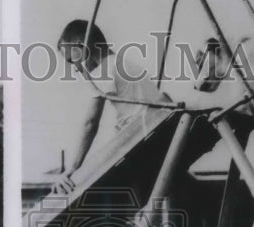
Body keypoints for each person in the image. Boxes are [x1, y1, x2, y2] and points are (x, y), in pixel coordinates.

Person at [53, 20, 171, 192]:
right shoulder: (122, 63)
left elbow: (90, 123)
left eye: (72, 60)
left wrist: (73, 168)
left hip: (146, 139)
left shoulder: (104, 69)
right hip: (155, 131)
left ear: (82, 47)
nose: (75, 69)